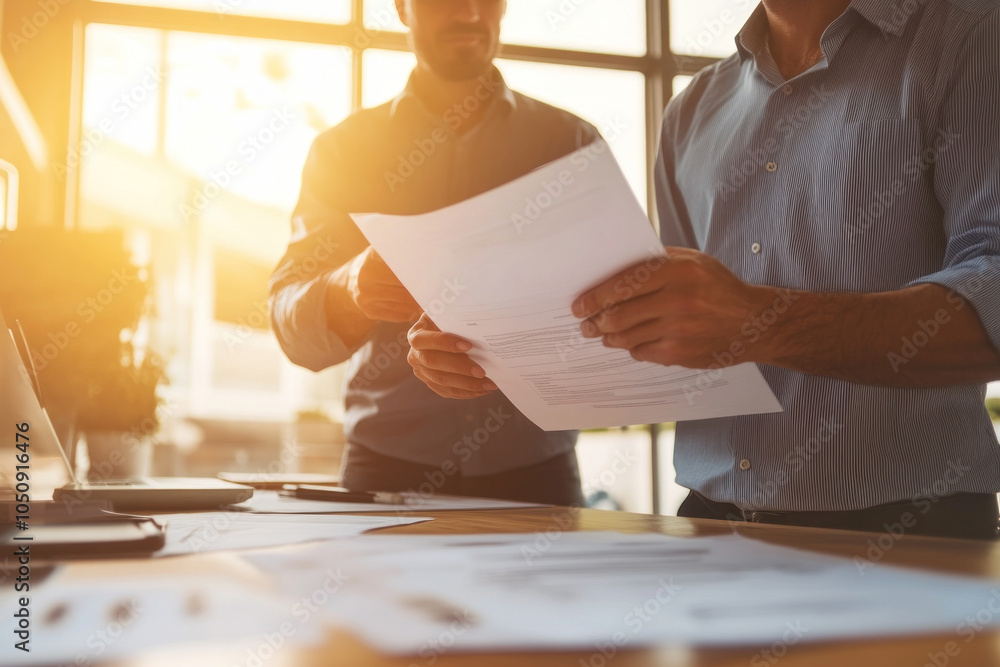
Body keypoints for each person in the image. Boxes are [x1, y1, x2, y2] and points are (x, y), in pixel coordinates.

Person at [406, 0, 1000, 538]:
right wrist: (487, 340)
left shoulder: (968, 34)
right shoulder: (692, 109)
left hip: (911, 527)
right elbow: (669, 338)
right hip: (712, 525)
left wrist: (761, 321)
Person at [269, 0, 599, 505]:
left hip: (538, 471)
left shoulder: (571, 144)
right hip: (385, 469)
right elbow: (290, 326)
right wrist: (349, 286)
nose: (468, 12)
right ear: (402, 7)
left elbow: (620, 306)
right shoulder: (342, 152)